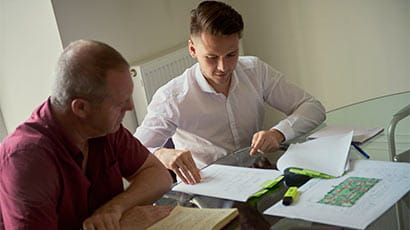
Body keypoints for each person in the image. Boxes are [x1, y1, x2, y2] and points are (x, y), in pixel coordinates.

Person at [135, 1, 326, 185]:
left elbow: (312, 107)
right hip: (209, 189)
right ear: (193, 49)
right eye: (211, 57)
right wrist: (161, 154)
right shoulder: (172, 97)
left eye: (231, 55)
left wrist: (279, 133)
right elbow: (133, 150)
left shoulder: (255, 70)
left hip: (259, 175)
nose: (223, 67)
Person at [0, 40, 173, 229]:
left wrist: (115, 209)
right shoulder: (26, 159)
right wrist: (125, 225)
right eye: (119, 104)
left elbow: (159, 176)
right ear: (81, 108)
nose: (130, 107)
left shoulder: (103, 129)